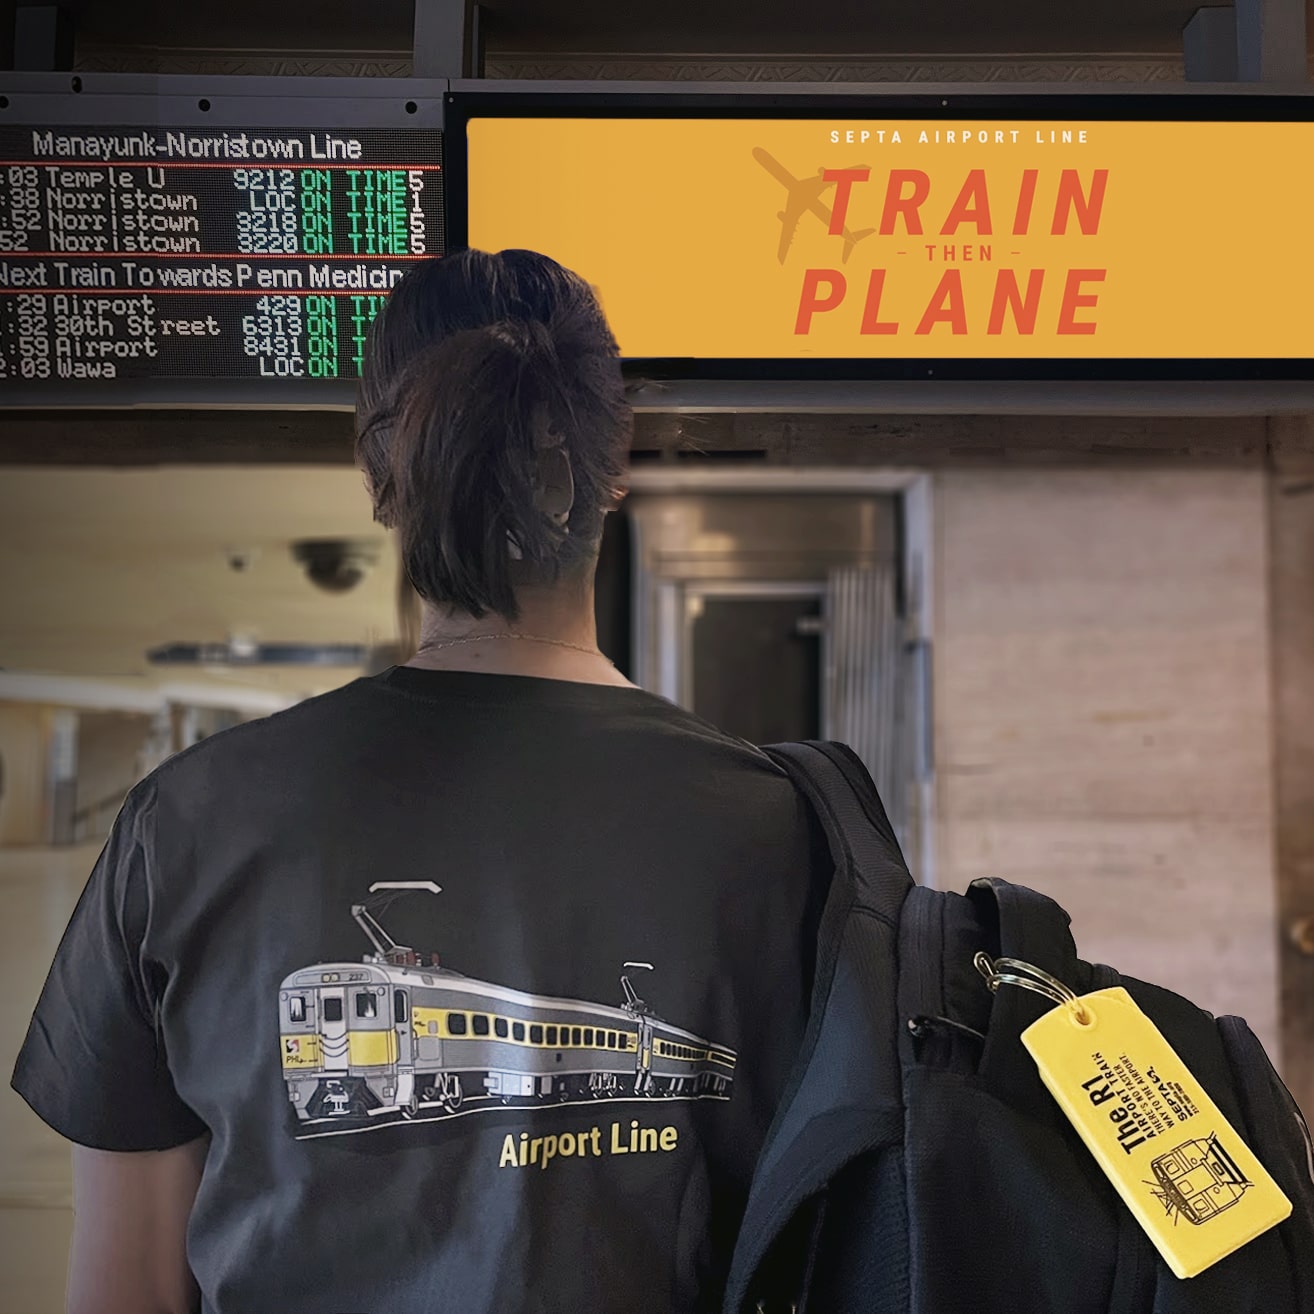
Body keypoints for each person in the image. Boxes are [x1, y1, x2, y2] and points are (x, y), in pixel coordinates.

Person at [12, 248, 829, 1314]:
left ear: (380, 478)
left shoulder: (182, 828)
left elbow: (125, 1292)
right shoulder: (784, 832)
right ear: (616, 468)